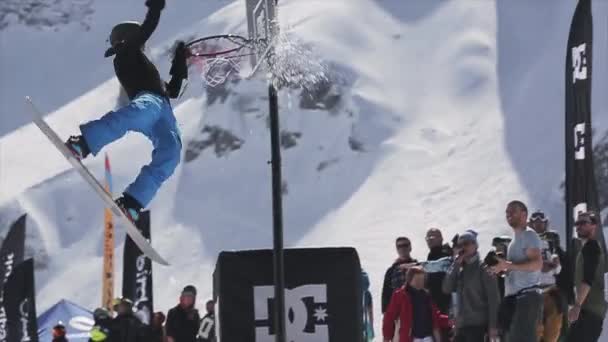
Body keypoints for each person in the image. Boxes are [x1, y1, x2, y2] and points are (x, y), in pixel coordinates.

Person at [63, 0, 188, 223]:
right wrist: (155, 8)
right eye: (140, 40)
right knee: (133, 115)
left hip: (162, 111)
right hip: (149, 102)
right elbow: (148, 28)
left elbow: (175, 90)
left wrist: (181, 60)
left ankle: (132, 202)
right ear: (128, 39)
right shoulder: (125, 54)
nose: (145, 46)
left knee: (171, 152)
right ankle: (82, 144)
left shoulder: (142, 62)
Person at [491, 200, 543, 342]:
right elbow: (515, 268)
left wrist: (509, 266)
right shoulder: (514, 241)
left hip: (527, 297)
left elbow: (537, 264)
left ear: (524, 214)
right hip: (514, 299)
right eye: (507, 212)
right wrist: (501, 269)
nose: (509, 214)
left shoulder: (529, 235)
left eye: (513, 211)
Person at [443, 230, 500, 342]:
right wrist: (456, 264)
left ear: (475, 245)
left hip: (479, 327)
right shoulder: (460, 269)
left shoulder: (484, 268)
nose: (463, 247)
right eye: (460, 245)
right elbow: (446, 288)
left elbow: (494, 300)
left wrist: (493, 326)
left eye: (467, 243)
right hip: (462, 327)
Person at [566, 212, 607, 342]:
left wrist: (577, 305)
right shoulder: (585, 249)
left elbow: (588, 280)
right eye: (577, 223)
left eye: (584, 223)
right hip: (588, 311)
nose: (579, 226)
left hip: (590, 311)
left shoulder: (591, 247)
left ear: (594, 226)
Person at [529, 210, 566, 342]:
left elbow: (559, 270)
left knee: (552, 334)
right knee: (535, 332)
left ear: (545, 224)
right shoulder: (524, 243)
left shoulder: (551, 241)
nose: (538, 225)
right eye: (535, 222)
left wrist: (556, 265)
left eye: (541, 223)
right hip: (533, 292)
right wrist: (539, 266)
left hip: (551, 291)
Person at [383, 267, 447, 342]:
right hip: (411, 338)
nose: (420, 282)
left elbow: (436, 316)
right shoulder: (400, 295)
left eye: (422, 280)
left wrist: (449, 320)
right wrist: (387, 337)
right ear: (409, 280)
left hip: (428, 337)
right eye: (417, 280)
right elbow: (389, 317)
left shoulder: (426, 296)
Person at [382, 237, 418, 313]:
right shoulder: (391, 270)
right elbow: (386, 294)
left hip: (416, 308)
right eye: (399, 246)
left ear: (410, 247)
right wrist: (386, 313)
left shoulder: (418, 266)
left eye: (405, 245)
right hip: (398, 310)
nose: (402, 248)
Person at [425, 228, 453, 315]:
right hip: (437, 304)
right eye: (427, 238)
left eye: (432, 237)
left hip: (449, 303)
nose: (429, 240)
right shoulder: (432, 254)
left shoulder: (447, 253)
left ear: (441, 238)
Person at [361, 270, 375, 341]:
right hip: (365, 324)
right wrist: (371, 328)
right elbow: (370, 311)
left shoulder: (351, 291)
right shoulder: (367, 293)